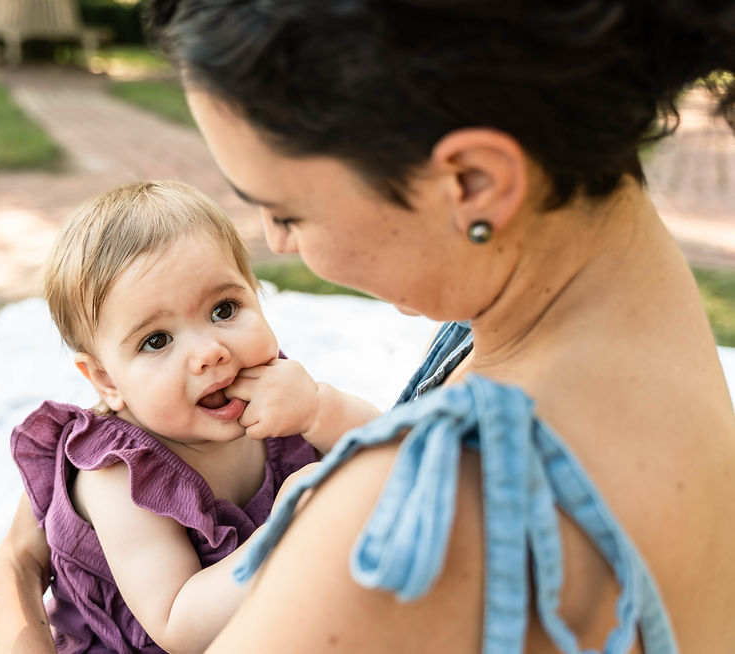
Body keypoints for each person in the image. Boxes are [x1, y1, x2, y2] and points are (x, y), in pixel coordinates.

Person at [128, 1, 735, 652]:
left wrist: (14, 589)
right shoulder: (615, 239)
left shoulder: (401, 525)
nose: (278, 244)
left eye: (287, 212)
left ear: (475, 183)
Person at [0, 179, 378, 653]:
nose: (210, 352)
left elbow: (395, 455)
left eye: (224, 308)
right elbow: (179, 624)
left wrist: (320, 408)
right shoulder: (120, 477)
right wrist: (286, 533)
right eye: (157, 340)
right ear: (106, 380)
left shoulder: (277, 393)